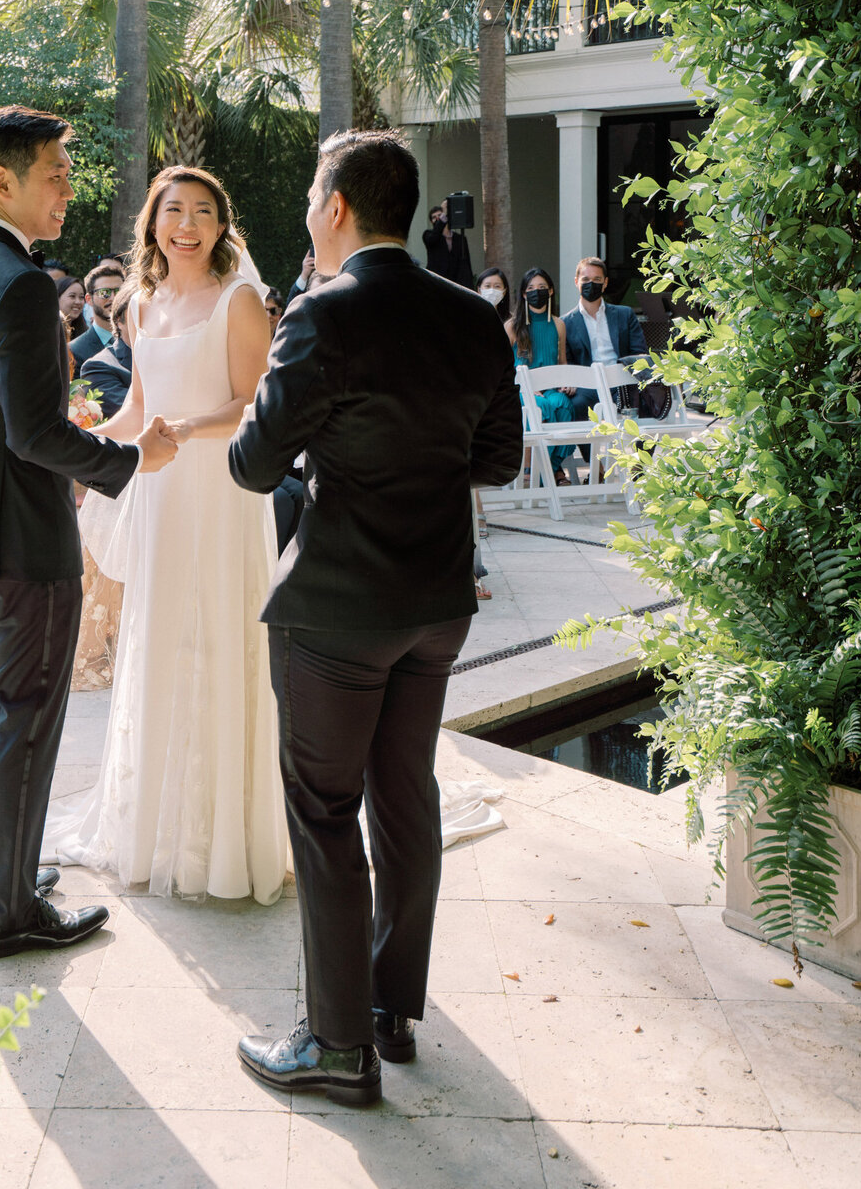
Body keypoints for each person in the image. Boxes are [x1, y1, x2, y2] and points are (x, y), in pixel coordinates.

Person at [229, 129, 523, 1107]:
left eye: (314, 195)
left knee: (322, 809)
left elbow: (253, 463)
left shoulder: (321, 314)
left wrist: (325, 457)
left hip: (337, 608)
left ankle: (337, 1044)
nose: (310, 212)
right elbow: (498, 459)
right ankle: (393, 1009)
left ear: (339, 206)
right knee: (405, 795)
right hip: (437, 602)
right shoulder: (474, 317)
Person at [0, 104, 177, 963]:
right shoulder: (18, 282)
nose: (67, 188)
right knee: (27, 713)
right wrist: (135, 456)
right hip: (25, 540)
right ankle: (10, 909)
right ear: (2, 181)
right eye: (55, 173)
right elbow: (36, 435)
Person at [43, 165, 288, 907]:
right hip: (160, 490)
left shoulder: (241, 301)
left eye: (202, 212)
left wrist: (187, 429)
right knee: (161, 638)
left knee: (219, 637)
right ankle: (157, 823)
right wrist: (78, 447)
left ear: (221, 225)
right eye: (172, 210)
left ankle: (227, 836)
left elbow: (254, 405)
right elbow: (138, 409)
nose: (185, 223)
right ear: (152, 223)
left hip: (219, 491)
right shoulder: (142, 302)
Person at [506, 268, 576, 486]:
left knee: (562, 404)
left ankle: (550, 467)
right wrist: (527, 387)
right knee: (541, 406)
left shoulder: (558, 324)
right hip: (523, 390)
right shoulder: (512, 326)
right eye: (531, 288)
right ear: (524, 294)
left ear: (551, 291)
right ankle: (546, 471)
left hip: (552, 387)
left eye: (542, 288)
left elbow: (562, 360)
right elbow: (504, 366)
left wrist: (567, 382)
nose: (537, 292)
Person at [561, 255, 647, 422]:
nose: (591, 284)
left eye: (597, 279)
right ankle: (588, 449)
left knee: (643, 403)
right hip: (586, 386)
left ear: (605, 282)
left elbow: (638, 352)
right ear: (576, 281)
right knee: (576, 406)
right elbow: (567, 360)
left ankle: (641, 448)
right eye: (585, 279)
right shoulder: (565, 323)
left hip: (621, 382)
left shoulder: (625, 314)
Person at [80, 280, 134, 418]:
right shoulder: (99, 367)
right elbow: (133, 415)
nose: (146, 321)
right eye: (137, 314)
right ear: (118, 320)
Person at [71, 263, 124, 371]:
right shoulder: (74, 350)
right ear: (89, 299)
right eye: (104, 293)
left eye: (119, 291)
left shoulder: (139, 340)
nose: (113, 298)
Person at [422, 198, 475, 287]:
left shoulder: (460, 238)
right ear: (431, 221)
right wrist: (443, 216)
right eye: (434, 217)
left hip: (456, 282)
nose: (438, 218)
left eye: (440, 215)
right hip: (437, 281)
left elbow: (466, 263)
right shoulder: (428, 235)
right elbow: (433, 239)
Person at [56, 275, 88, 342]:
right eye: (72, 296)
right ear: (57, 298)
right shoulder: (48, 332)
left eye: (81, 297)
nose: (78, 302)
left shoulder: (86, 334)